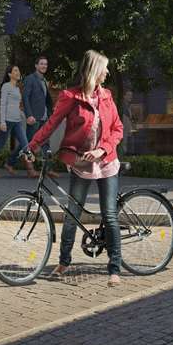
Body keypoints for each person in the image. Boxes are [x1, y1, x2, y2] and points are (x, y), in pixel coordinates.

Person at [29, 49, 126, 287]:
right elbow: (52, 124)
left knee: (110, 216)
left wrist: (102, 149)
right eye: (104, 68)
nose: (107, 72)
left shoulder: (107, 96)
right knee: (72, 214)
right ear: (94, 70)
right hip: (81, 164)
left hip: (106, 162)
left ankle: (114, 269)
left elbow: (117, 129)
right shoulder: (70, 96)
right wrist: (32, 145)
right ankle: (64, 262)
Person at [0, 65, 28, 178]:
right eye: (15, 70)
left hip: (17, 121)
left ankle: (10, 163)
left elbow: (16, 104)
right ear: (9, 74)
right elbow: (3, 105)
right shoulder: (6, 87)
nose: (18, 72)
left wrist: (21, 113)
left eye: (18, 70)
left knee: (25, 144)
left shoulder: (17, 88)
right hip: (7, 120)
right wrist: (2, 122)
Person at [23, 56, 52, 137]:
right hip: (34, 118)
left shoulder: (44, 81)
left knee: (44, 142)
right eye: (42, 64)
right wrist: (29, 115)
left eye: (46, 64)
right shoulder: (30, 79)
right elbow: (25, 98)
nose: (44, 66)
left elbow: (46, 99)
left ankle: (46, 150)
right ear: (36, 66)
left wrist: (49, 113)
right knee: (29, 143)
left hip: (45, 117)